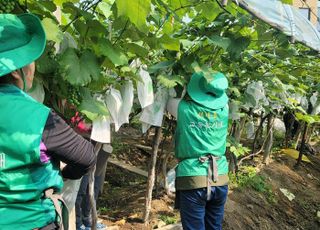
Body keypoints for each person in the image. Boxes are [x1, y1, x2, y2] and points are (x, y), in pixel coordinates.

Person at [0, 13, 96, 230]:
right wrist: (63, 174)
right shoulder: (38, 117)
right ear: (16, 71)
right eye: (30, 60)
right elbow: (86, 157)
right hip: (31, 222)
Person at [167, 72, 229, 230]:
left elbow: (167, 101)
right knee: (214, 227)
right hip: (220, 177)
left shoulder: (181, 107)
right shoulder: (225, 109)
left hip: (193, 178)